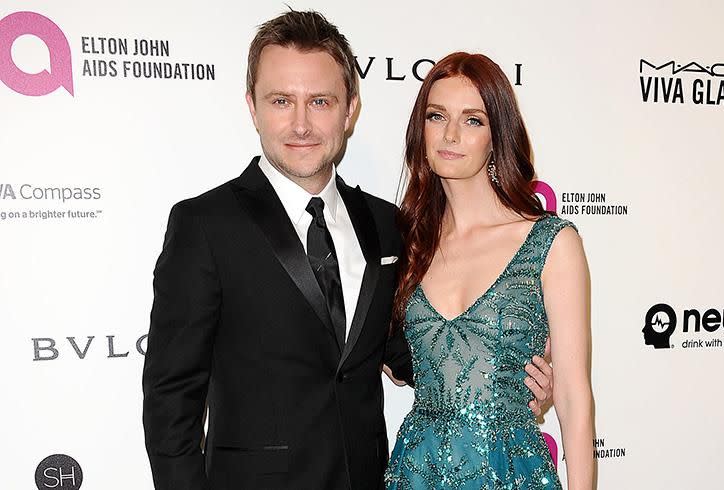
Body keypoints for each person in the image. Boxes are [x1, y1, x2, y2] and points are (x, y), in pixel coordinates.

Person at [141, 10, 554, 490]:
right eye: (281, 101)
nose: (301, 124)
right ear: (252, 107)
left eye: (320, 101)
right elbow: (171, 397)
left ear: (350, 108)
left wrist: (510, 380)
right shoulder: (205, 225)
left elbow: (408, 348)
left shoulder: (386, 223)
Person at [385, 52, 595, 489]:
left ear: (497, 135)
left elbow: (575, 400)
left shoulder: (551, 243)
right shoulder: (405, 243)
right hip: (418, 472)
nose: (450, 134)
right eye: (436, 115)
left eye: (473, 120)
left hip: (509, 474)